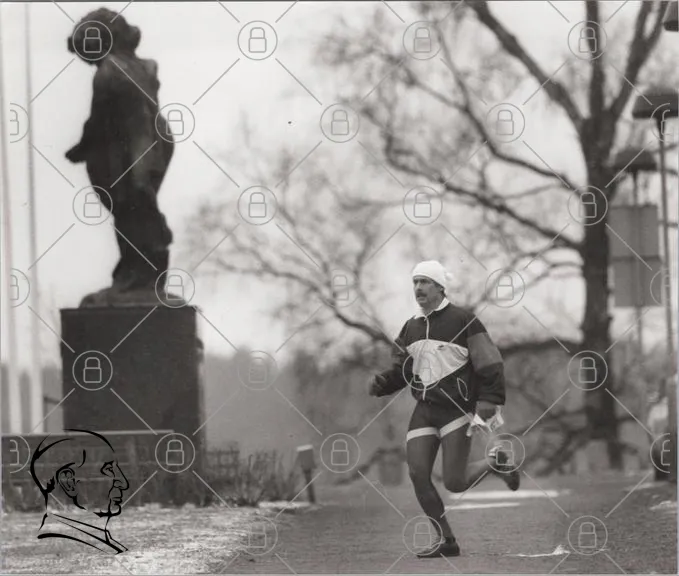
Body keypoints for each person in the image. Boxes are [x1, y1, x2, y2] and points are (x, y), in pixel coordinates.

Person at [368, 260, 519, 558]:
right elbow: (403, 371)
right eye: (415, 282)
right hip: (425, 410)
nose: (418, 288)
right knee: (417, 473)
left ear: (440, 287)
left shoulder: (464, 320)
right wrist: (383, 382)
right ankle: (446, 540)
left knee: (455, 482)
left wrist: (489, 400)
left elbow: (490, 362)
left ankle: (494, 464)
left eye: (425, 282)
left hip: (456, 411)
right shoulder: (410, 327)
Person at [29, 430, 130, 554]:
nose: (123, 483)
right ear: (69, 483)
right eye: (108, 469)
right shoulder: (77, 548)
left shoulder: (98, 540)